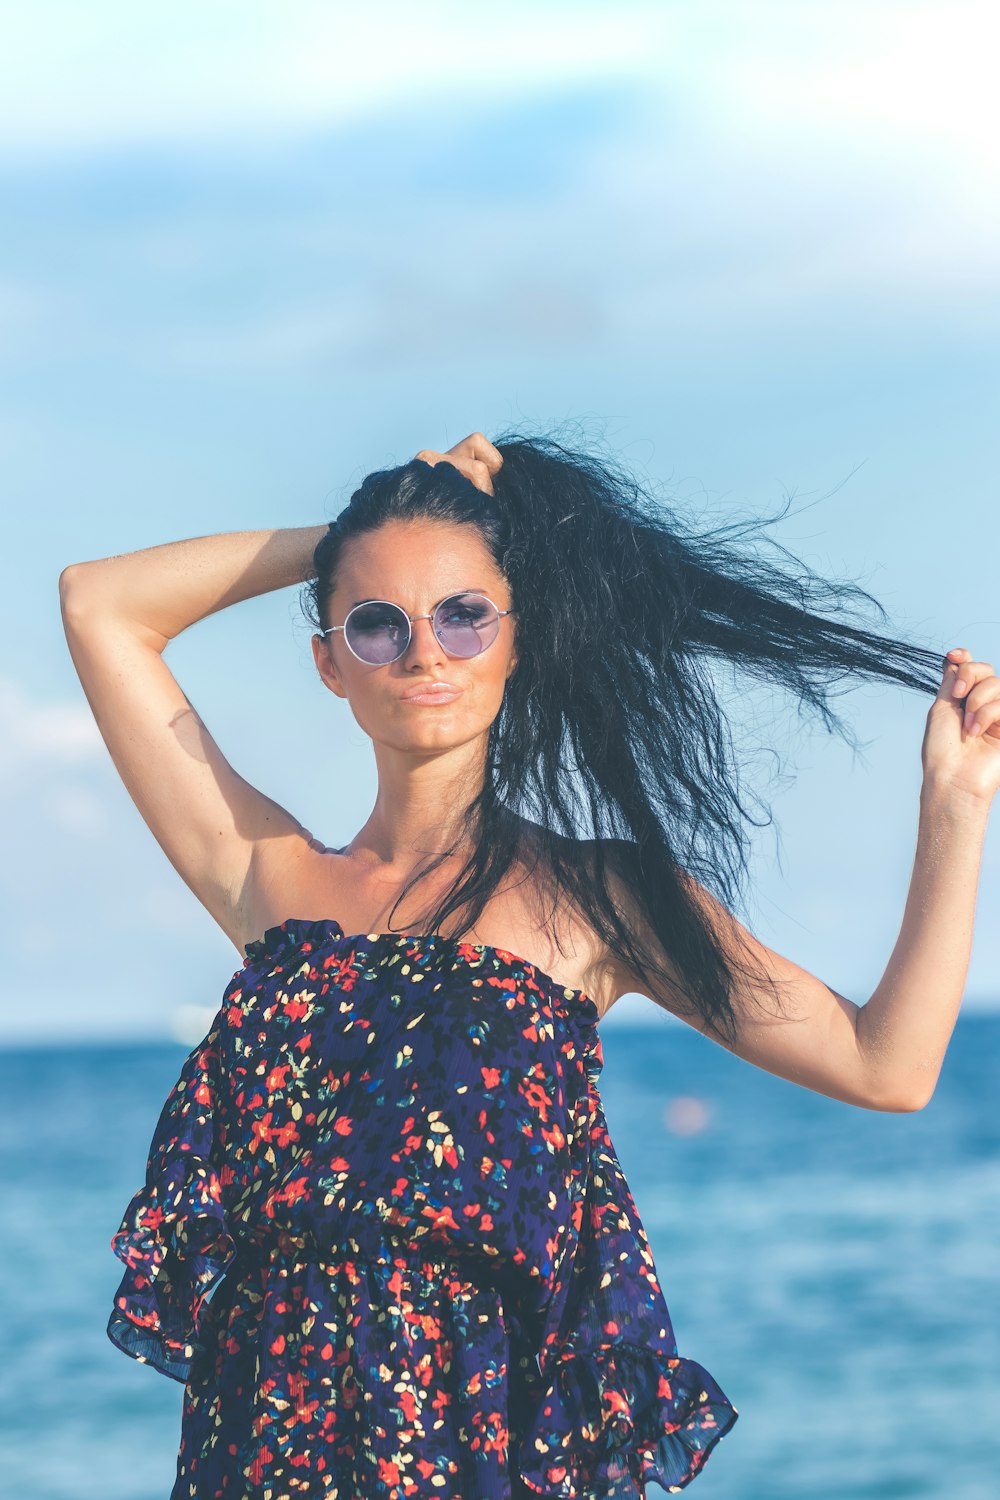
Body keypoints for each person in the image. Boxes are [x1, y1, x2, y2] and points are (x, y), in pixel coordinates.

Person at [59, 429, 997, 1498]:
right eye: (377, 624)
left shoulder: (601, 898)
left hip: (470, 1447)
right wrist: (363, 537)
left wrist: (957, 806)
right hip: (256, 1448)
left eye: (464, 613)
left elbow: (888, 1066)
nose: (424, 651)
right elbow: (100, 604)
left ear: (518, 637)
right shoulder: (269, 880)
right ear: (328, 660)